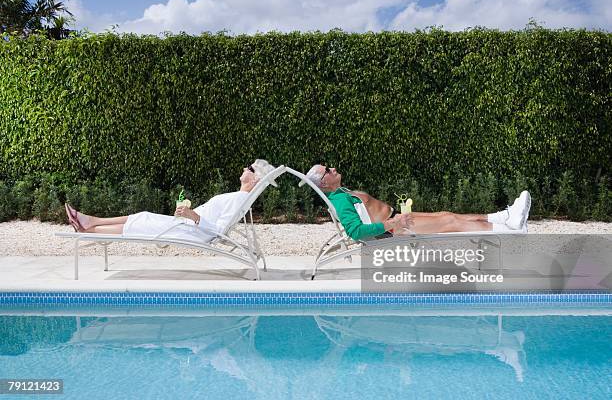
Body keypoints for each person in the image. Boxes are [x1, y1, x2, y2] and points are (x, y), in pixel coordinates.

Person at [64, 159, 276, 243]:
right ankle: (90, 222)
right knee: (142, 217)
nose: (243, 168)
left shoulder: (239, 198)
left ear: (256, 178)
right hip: (187, 225)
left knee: (142, 222)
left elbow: (218, 230)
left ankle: (88, 227)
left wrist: (193, 216)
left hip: (190, 231)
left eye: (249, 169)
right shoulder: (238, 197)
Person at [304, 164, 531, 241]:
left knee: (447, 214)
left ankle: (505, 218)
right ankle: (511, 230)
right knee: (450, 222)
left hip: (396, 221)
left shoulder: (341, 192)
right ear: (324, 183)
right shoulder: (340, 199)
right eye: (328, 171)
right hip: (394, 230)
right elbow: (355, 231)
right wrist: (392, 224)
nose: (333, 169)